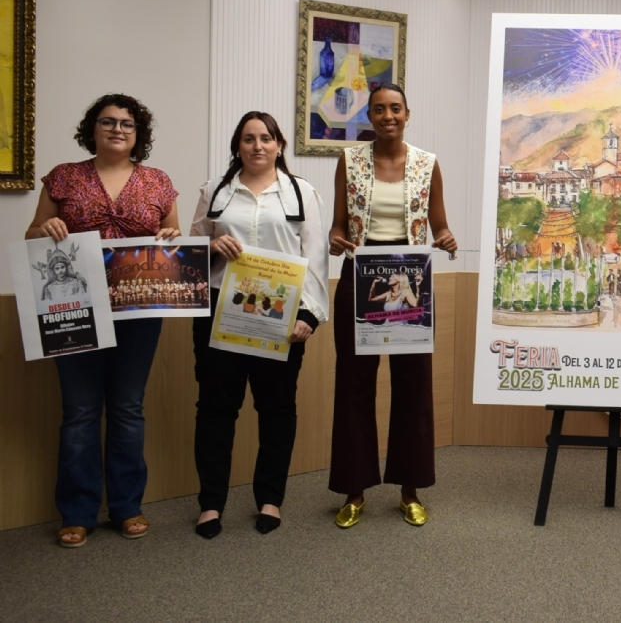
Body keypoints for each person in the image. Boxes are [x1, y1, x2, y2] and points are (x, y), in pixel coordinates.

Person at [26, 94, 181, 548]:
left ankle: (128, 506)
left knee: (129, 408)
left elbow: (170, 239)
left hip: (138, 311)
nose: (117, 129)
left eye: (127, 124)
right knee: (79, 411)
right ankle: (77, 512)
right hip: (74, 308)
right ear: (91, 129)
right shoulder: (64, 177)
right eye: (108, 122)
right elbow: (32, 235)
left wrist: (172, 236)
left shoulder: (157, 181)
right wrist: (45, 230)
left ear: (139, 133)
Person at [190, 111, 328, 539]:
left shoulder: (301, 193)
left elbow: (317, 257)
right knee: (215, 410)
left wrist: (309, 316)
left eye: (265, 138)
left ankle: (270, 498)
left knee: (276, 410)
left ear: (279, 144)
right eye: (248, 139)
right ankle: (211, 503)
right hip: (220, 314)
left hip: (281, 319)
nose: (257, 146)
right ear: (238, 146)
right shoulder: (215, 191)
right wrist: (211, 245)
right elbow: (189, 252)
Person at [328, 83, 457, 529]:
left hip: (412, 277)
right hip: (360, 274)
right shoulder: (349, 161)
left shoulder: (427, 164)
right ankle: (354, 490)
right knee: (354, 384)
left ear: (407, 114)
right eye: (379, 109)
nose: (388, 116)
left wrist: (446, 238)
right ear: (370, 115)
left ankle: (410, 489)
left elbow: (439, 225)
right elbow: (338, 227)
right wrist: (333, 240)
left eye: (395, 109)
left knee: (413, 384)